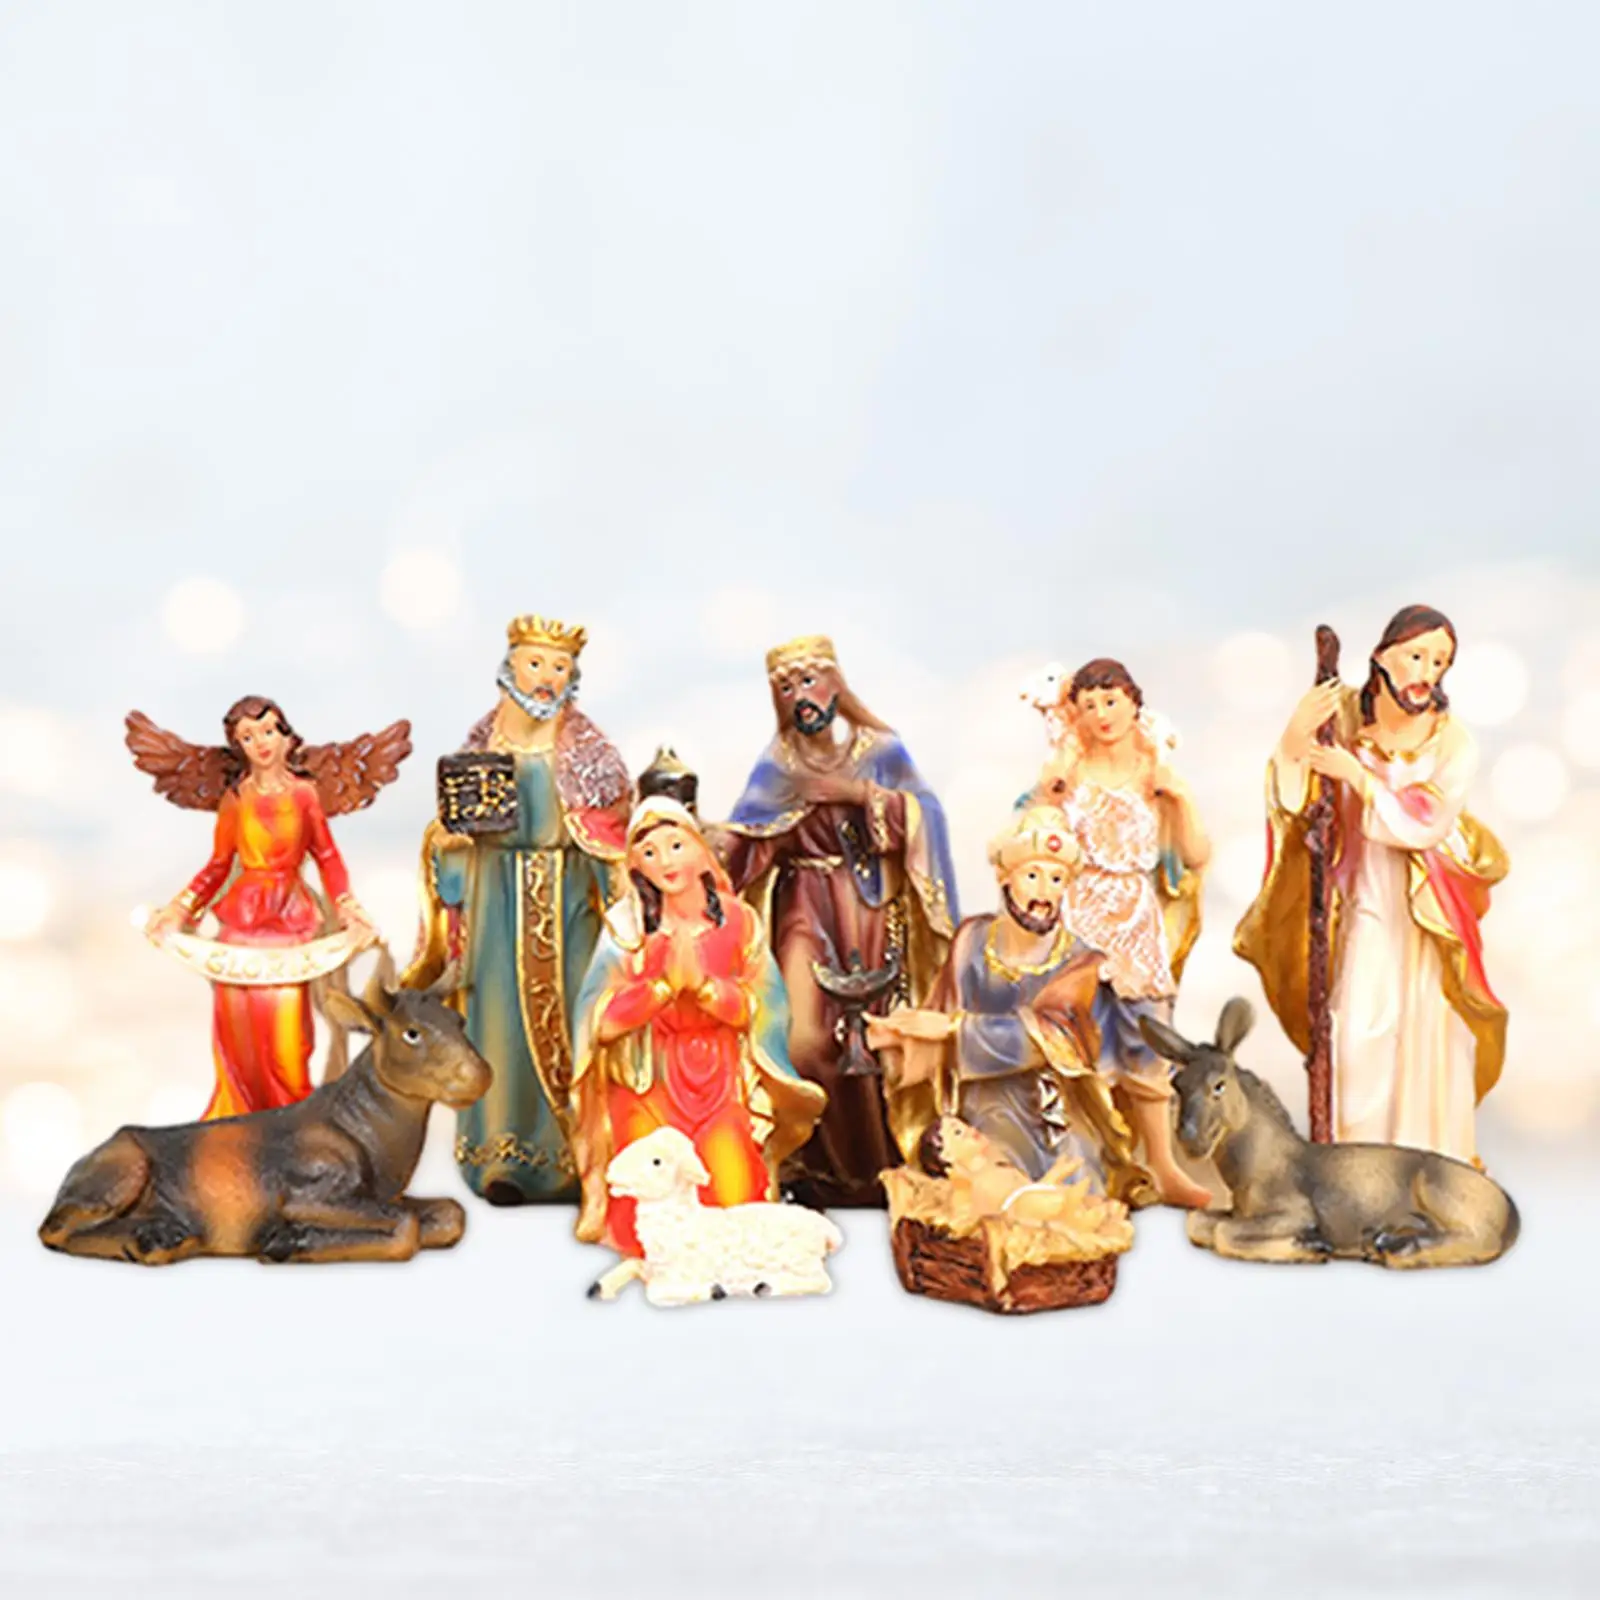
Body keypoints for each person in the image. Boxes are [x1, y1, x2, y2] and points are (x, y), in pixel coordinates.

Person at [1234, 604, 1508, 1163]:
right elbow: (1296, 797)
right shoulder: (1344, 718)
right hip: (1361, 898)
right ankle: (1356, 1171)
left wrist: (1357, 776)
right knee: (1356, 1037)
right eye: (1416, 656)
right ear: (1383, 656)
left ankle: (1425, 1170)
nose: (1427, 672)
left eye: (1440, 661)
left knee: (1425, 1044)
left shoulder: (1452, 742)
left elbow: (1427, 821)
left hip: (1425, 913)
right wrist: (1295, 737)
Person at [718, 634, 960, 1207]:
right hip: (805, 906)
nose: (800, 696)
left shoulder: (881, 751)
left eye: (808, 681)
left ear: (834, 684)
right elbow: (749, 839)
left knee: (878, 1037)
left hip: (873, 906)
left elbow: (926, 817)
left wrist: (857, 794)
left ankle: (884, 1164)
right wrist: (711, 844)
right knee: (803, 1037)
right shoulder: (778, 764)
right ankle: (816, 1164)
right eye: (786, 688)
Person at [403, 614, 631, 1204]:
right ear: (510, 668)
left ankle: (576, 1156)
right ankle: (503, 1156)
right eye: (536, 664)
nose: (547, 677)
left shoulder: (588, 752)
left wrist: (611, 875)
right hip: (495, 901)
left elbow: (610, 828)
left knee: (577, 1015)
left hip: (566, 896)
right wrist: (451, 845)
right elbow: (453, 828)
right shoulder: (483, 746)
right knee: (496, 1021)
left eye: (560, 667)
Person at [568, 796, 827, 1254]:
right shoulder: (626, 930)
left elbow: (766, 1009)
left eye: (676, 845)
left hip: (719, 1078)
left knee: (733, 1200)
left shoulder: (739, 922)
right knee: (647, 1213)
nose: (666, 862)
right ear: (635, 867)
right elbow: (597, 1021)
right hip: (650, 1082)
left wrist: (707, 990)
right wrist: (661, 989)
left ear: (701, 851)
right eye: (650, 852)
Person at [131, 696, 403, 1117]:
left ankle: (288, 1124)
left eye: (268, 730)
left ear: (286, 736)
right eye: (247, 736)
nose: (260, 742)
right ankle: (237, 1125)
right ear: (238, 746)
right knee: (237, 1036)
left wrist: (347, 907)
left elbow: (327, 856)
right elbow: (218, 866)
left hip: (290, 925)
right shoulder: (236, 800)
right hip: (241, 926)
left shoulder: (304, 796)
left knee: (287, 1041)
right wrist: (178, 910)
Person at [867, 807, 1150, 1203]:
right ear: (1005, 877)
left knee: (1076, 1192)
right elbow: (936, 1018)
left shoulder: (1080, 963)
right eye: (1032, 876)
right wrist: (901, 1036)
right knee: (983, 1186)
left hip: (1053, 1111)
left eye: (1057, 879)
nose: (1044, 893)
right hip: (983, 1108)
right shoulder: (972, 940)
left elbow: (1057, 1042)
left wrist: (954, 1029)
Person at [1029, 658, 1212, 1207]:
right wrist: (1049, 792)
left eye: (1111, 701)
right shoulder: (1070, 772)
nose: (1102, 714)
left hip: (1134, 917)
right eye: (1089, 705)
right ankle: (1091, 1165)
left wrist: (1179, 798)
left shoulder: (1155, 771)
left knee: (1147, 1042)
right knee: (1081, 1045)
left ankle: (1162, 1165)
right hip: (1080, 913)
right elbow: (1034, 838)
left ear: (1134, 702)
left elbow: (1195, 854)